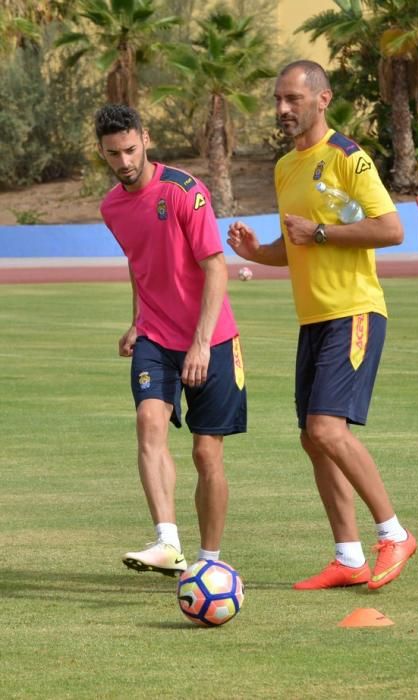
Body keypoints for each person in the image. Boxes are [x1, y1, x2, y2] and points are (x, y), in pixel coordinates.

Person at [228, 60, 416, 591]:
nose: (283, 109)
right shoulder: (286, 167)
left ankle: (394, 534)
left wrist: (323, 234)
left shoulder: (347, 158)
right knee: (314, 440)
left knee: (327, 429)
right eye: (278, 100)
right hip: (313, 319)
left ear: (322, 99)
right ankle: (348, 556)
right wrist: (256, 252)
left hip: (353, 312)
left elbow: (392, 228)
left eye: (293, 99)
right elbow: (296, 247)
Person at [95, 104, 247, 577]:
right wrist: (136, 320)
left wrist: (201, 343)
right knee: (149, 422)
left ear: (147, 138)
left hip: (213, 337)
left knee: (207, 454)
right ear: (101, 152)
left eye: (130, 149)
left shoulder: (184, 191)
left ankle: (210, 564)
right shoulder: (111, 207)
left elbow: (215, 266)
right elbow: (139, 262)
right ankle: (167, 541)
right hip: (156, 338)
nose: (123, 161)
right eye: (112, 153)